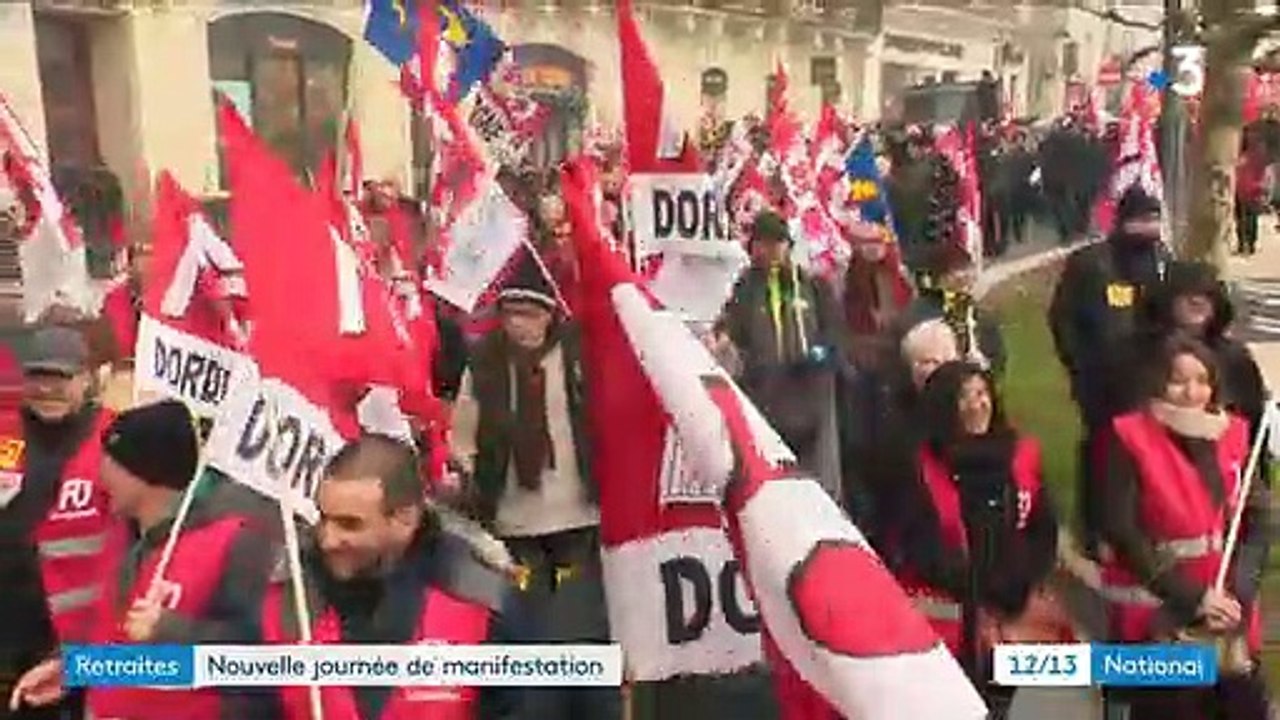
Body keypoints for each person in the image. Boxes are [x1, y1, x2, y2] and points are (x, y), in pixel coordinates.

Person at [10, 399, 275, 719]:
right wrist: (77, 669)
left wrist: (170, 628)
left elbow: (259, 659)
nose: (99, 474)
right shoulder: (129, 544)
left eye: (110, 461)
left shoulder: (236, 542)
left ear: (145, 473)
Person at [449, 258, 618, 719]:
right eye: (510, 313)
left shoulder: (579, 355)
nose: (518, 324)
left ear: (549, 315)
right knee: (527, 619)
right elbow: (463, 429)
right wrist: (465, 471)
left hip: (577, 513)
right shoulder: (484, 363)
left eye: (528, 313)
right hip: (513, 516)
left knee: (581, 620)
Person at [262, 433, 519, 720]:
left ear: (405, 519)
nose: (327, 540)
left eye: (349, 524)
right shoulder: (285, 594)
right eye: (324, 517)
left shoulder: (479, 599)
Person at [1092, 336, 1272, 720]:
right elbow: (1122, 529)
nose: (1192, 392)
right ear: (1157, 382)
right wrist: (1194, 597)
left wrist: (1237, 589)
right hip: (1157, 615)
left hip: (1227, 613)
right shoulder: (1128, 437)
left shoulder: (1235, 435)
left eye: (1202, 380)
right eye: (1178, 380)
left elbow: (1258, 518)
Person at [894, 361, 1060, 708]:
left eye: (982, 394)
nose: (976, 405)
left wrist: (1021, 578)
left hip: (1009, 614)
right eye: (963, 398)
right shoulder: (917, 467)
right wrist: (977, 586)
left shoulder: (1021, 454)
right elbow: (919, 546)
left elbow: (1042, 527)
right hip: (948, 627)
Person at [2, 327, 120, 720]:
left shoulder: (116, 437)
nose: (47, 389)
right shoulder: (5, 434)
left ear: (86, 379)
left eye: (60, 378)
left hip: (84, 642)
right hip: (11, 634)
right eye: (38, 377)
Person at [1047, 184, 1171, 553]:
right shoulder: (1091, 264)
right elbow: (1062, 317)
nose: (1148, 229)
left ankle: (1139, 526)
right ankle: (1093, 529)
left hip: (1149, 381)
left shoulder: (1161, 262)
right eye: (1141, 220)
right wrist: (1078, 364)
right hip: (1099, 383)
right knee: (1101, 454)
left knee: (1144, 457)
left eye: (1154, 220)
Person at [717, 210, 848, 501]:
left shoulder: (812, 286)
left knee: (820, 485)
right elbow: (732, 333)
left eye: (778, 243)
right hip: (766, 397)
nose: (771, 251)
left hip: (812, 395)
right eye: (763, 244)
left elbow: (835, 332)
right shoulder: (746, 290)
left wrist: (819, 356)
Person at [845, 319, 960, 563]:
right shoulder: (892, 414)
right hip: (905, 539)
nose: (931, 370)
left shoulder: (962, 413)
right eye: (924, 362)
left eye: (939, 362)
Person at [892, 242, 1005, 376]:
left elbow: (997, 358)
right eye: (955, 270)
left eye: (966, 268)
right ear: (938, 278)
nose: (963, 275)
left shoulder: (979, 315)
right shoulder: (919, 319)